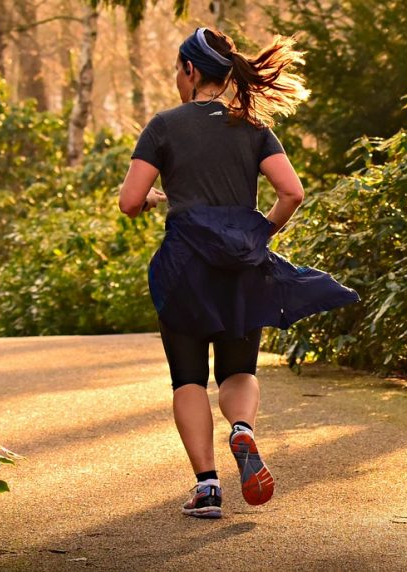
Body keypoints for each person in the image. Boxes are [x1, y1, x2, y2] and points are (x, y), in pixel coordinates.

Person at [118, 27, 358, 519]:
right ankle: (243, 430)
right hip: (239, 266)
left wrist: (152, 200)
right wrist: (258, 233)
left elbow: (128, 202)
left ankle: (207, 488)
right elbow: (292, 192)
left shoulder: (164, 126)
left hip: (184, 268)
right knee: (238, 370)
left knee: (187, 379)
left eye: (176, 73)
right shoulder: (251, 127)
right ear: (226, 76)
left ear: (189, 71)